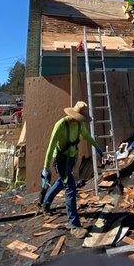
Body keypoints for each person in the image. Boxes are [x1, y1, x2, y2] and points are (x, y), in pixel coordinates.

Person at [40, 101, 103, 239]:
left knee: (61, 183)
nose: (80, 120)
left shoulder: (80, 124)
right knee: (70, 188)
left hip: (72, 159)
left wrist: (97, 147)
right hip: (61, 160)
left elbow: (86, 136)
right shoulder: (61, 125)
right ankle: (74, 225)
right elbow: (51, 147)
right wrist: (45, 167)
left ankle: (45, 203)